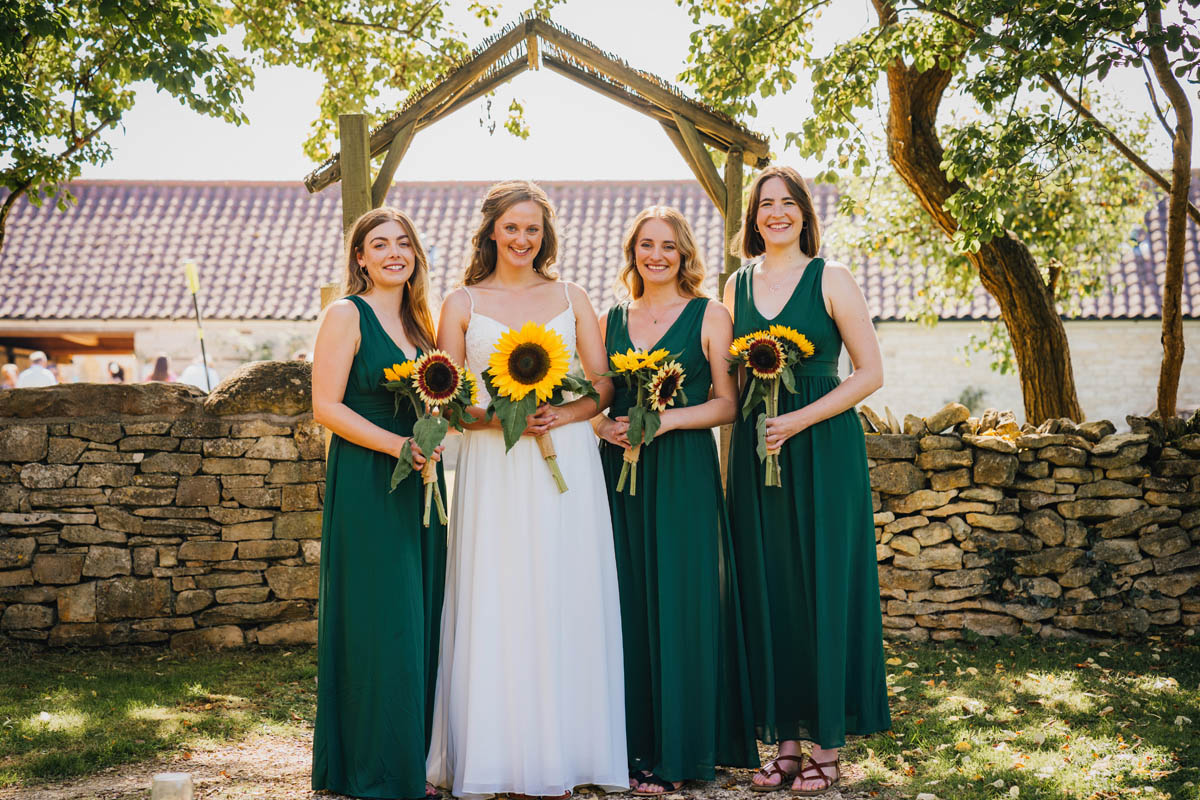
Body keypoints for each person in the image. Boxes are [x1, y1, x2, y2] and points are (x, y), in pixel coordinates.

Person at [427, 180, 627, 798]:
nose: (521, 239)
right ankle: (495, 755)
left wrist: (558, 417)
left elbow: (602, 386)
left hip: (564, 460)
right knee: (499, 592)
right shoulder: (460, 303)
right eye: (512, 227)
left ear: (546, 236)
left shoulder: (572, 295)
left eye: (533, 229)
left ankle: (567, 753)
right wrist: (495, 418)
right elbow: (446, 397)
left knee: (563, 590)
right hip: (494, 466)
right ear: (491, 230)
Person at [724, 166, 891, 796]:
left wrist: (797, 419)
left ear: (804, 213)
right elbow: (729, 384)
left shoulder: (832, 278)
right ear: (753, 218)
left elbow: (869, 372)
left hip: (822, 445)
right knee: (771, 586)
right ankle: (786, 743)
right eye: (765, 204)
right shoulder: (735, 286)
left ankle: (828, 743)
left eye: (787, 203)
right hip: (756, 451)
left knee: (825, 582)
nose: (776, 213)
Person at [593, 207, 758, 795]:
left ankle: (686, 750)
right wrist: (602, 428)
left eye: (668, 245)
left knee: (684, 601)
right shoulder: (611, 317)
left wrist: (664, 423)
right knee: (630, 601)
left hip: (684, 469)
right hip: (621, 474)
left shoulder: (711, 315)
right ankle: (633, 748)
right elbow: (601, 395)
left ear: (685, 253)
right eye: (645, 245)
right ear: (632, 252)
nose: (656, 255)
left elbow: (728, 403)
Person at [311, 207, 447, 800]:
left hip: (417, 483)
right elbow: (327, 407)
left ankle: (409, 755)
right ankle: (372, 766)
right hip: (369, 481)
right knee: (378, 618)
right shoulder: (346, 315)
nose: (394, 252)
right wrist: (399, 445)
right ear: (360, 257)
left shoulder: (423, 328)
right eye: (379, 244)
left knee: (417, 616)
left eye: (403, 243)